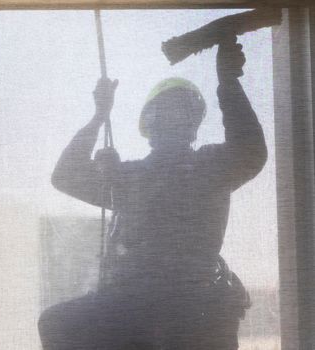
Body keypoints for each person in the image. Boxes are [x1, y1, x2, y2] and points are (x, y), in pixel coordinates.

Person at [38, 38, 267, 350]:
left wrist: (229, 83)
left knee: (58, 324)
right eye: (166, 110)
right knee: (57, 323)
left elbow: (251, 151)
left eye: (179, 110)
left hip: (177, 306)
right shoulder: (137, 176)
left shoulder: (199, 167)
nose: (172, 117)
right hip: (161, 306)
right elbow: (65, 176)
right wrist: (98, 117)